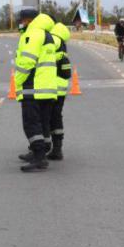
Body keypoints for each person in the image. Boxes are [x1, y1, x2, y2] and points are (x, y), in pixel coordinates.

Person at [14, 10, 58, 172]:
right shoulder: (47, 35)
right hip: (47, 89)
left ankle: (39, 157)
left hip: (33, 88)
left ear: (29, 21)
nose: (21, 24)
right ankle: (40, 153)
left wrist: (16, 82)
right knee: (43, 123)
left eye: (22, 21)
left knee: (31, 123)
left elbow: (26, 62)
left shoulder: (32, 34)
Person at [47, 22, 72, 161]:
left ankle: (47, 147)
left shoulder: (53, 39)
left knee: (47, 117)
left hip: (50, 86)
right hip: (61, 87)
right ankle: (57, 148)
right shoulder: (62, 43)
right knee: (56, 116)